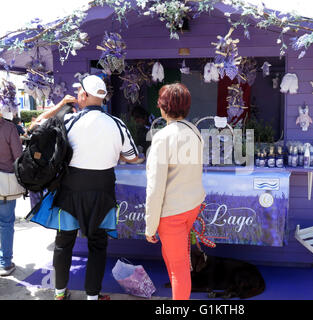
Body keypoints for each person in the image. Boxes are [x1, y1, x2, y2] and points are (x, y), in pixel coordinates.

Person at [32, 75, 140, 300]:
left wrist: (61, 105)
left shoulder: (69, 121)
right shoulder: (117, 124)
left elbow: (36, 125)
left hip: (70, 191)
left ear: (83, 94)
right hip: (103, 192)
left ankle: (60, 294)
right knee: (98, 245)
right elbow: (133, 157)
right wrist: (113, 153)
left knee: (64, 244)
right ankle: (93, 297)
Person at [145, 83, 206, 300]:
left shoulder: (163, 137)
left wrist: (150, 225)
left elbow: (155, 188)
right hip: (191, 206)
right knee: (175, 258)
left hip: (172, 212)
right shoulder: (194, 131)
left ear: (163, 107)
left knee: (177, 267)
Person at [0, 110, 23, 276]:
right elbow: (18, 158)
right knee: (6, 224)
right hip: (5, 185)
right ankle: (5, 263)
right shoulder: (9, 128)